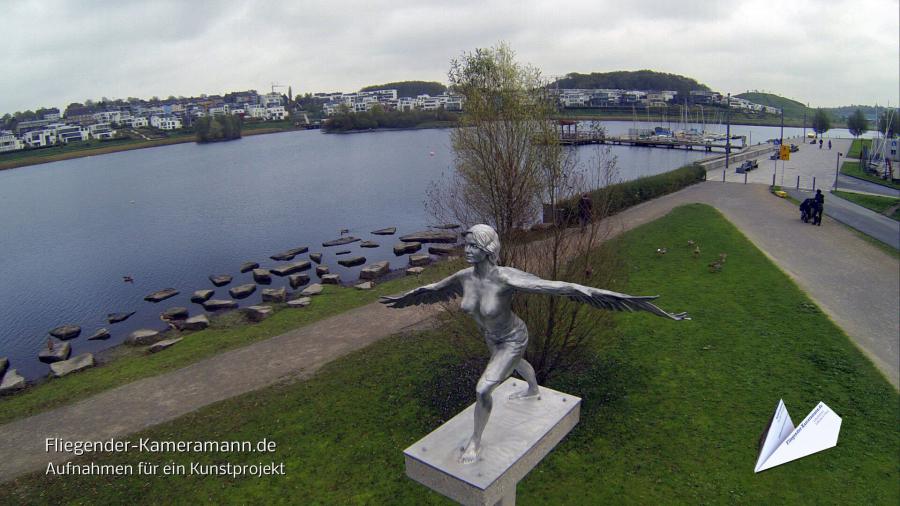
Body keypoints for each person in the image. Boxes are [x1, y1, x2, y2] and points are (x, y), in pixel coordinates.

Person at [380, 224, 688, 464]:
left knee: (483, 389)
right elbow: (429, 288)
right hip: (492, 337)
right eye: (467, 244)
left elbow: (562, 286)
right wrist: (404, 300)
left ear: (488, 249)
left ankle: (475, 441)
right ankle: (533, 387)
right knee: (512, 368)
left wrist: (619, 299)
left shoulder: (506, 278)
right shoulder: (463, 277)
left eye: (474, 245)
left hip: (514, 337)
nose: (467, 250)